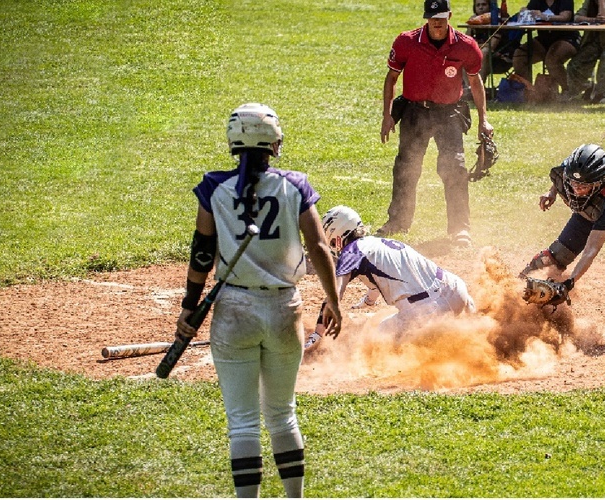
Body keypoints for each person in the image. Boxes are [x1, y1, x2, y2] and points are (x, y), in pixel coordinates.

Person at [175, 103, 343, 498]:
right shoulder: (295, 185)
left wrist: (189, 307)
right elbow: (318, 245)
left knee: (243, 423)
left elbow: (202, 250)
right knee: (283, 416)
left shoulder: (213, 187)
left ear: (233, 142)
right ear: (274, 144)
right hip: (285, 309)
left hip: (234, 310)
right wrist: (333, 299)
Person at [379, 0, 494, 247]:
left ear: (449, 16)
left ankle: (460, 229)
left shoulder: (466, 47)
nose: (436, 22)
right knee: (406, 167)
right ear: (426, 18)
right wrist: (387, 115)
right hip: (414, 111)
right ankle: (398, 222)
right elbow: (391, 79)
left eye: (441, 17)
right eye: (432, 17)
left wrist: (484, 119)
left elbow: (475, 83)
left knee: (454, 167)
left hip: (448, 113)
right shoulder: (406, 42)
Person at [519, 144, 605, 344]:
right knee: (556, 256)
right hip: (591, 209)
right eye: (573, 184)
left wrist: (568, 284)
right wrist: (551, 193)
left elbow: (591, 251)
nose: (576, 189)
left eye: (583, 186)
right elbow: (561, 178)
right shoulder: (570, 169)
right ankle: (513, 291)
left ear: (600, 182)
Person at [303, 205, 476, 351]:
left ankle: (446, 346)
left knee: (374, 340)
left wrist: (318, 332)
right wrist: (369, 301)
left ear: (337, 237)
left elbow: (334, 294)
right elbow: (378, 279)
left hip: (430, 311)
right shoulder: (377, 243)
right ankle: (477, 330)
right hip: (456, 289)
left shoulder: (352, 252)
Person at [511, 0, 581, 97]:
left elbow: (566, 17)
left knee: (552, 59)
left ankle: (568, 91)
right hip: (544, 39)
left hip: (567, 37)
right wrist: (524, 12)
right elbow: (525, 13)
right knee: (520, 56)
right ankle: (529, 91)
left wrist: (544, 16)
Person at [561, 0, 605, 104]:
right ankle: (585, 88)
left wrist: (601, 3)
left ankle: (602, 94)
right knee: (574, 64)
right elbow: (577, 17)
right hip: (594, 43)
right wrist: (594, 19)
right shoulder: (589, 2)